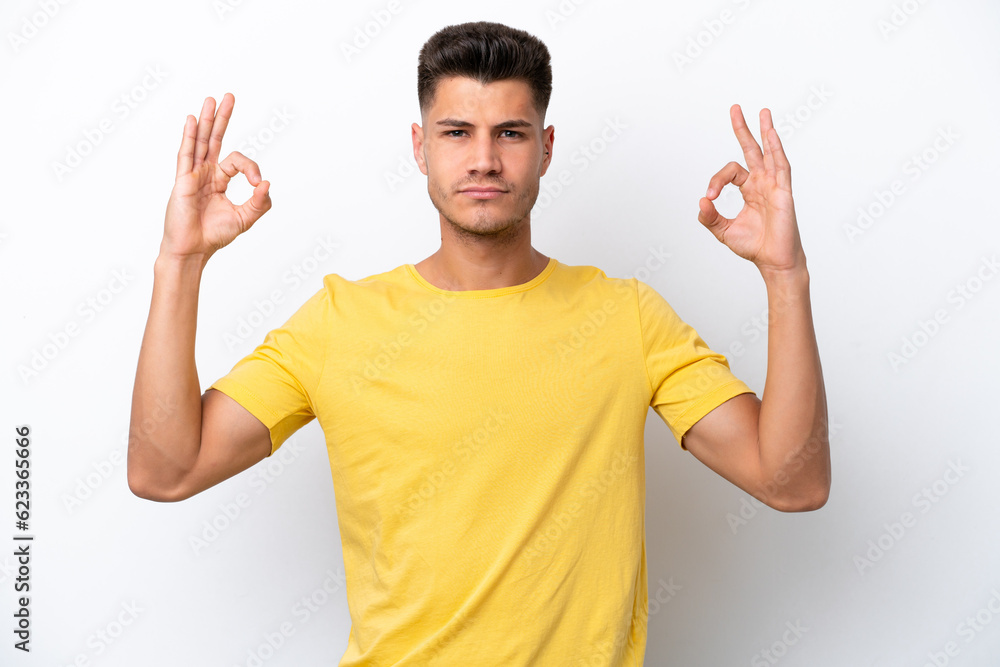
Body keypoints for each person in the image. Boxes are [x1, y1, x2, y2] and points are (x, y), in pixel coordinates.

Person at [128, 20, 830, 666]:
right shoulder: (339, 323)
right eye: (457, 132)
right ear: (420, 147)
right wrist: (179, 262)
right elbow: (165, 471)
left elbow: (792, 481)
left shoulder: (626, 318)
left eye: (511, 133)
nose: (485, 159)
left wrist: (785, 276)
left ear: (546, 148)